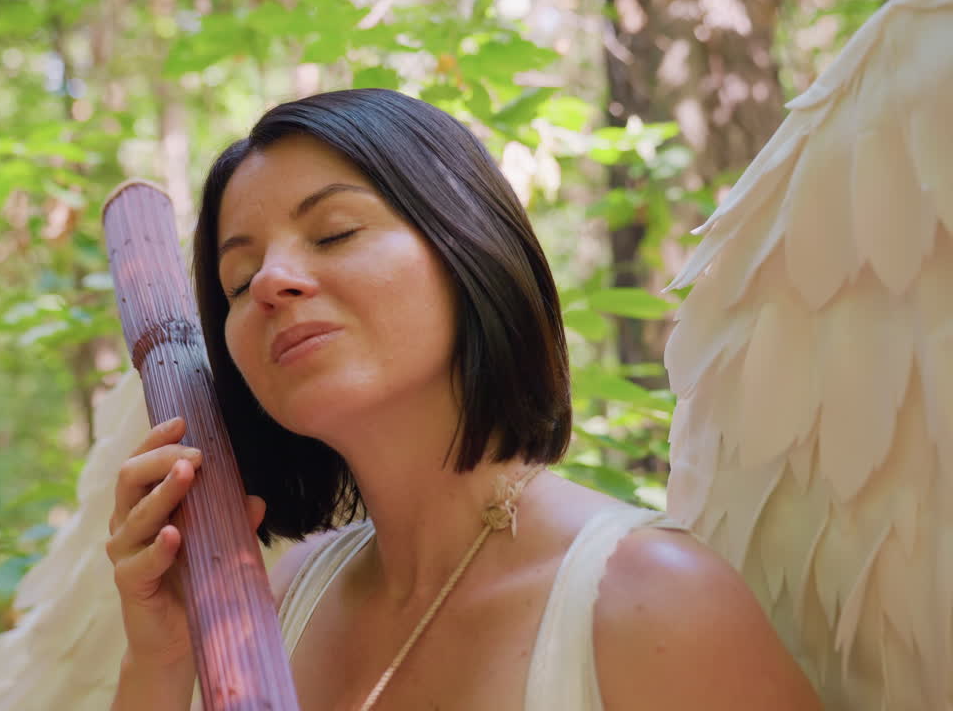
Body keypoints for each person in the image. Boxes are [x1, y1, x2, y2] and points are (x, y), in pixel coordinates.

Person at [105, 88, 820, 710]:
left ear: (468, 246)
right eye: (237, 280)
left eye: (335, 232)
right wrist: (160, 662)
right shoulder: (286, 599)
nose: (271, 282)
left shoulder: (654, 602)